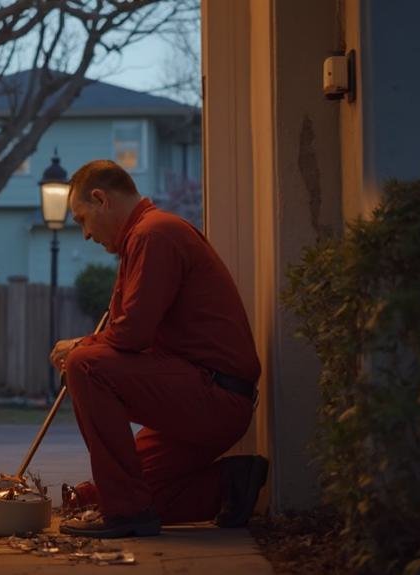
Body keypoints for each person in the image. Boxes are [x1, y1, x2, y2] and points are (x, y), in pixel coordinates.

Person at [51, 159, 269, 538]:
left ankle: (125, 515)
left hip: (214, 396)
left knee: (86, 365)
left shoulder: (155, 234)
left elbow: (130, 335)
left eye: (82, 219)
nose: (85, 234)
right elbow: (131, 332)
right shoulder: (145, 238)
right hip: (199, 395)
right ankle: (229, 485)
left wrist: (79, 347)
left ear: (101, 199)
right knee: (136, 491)